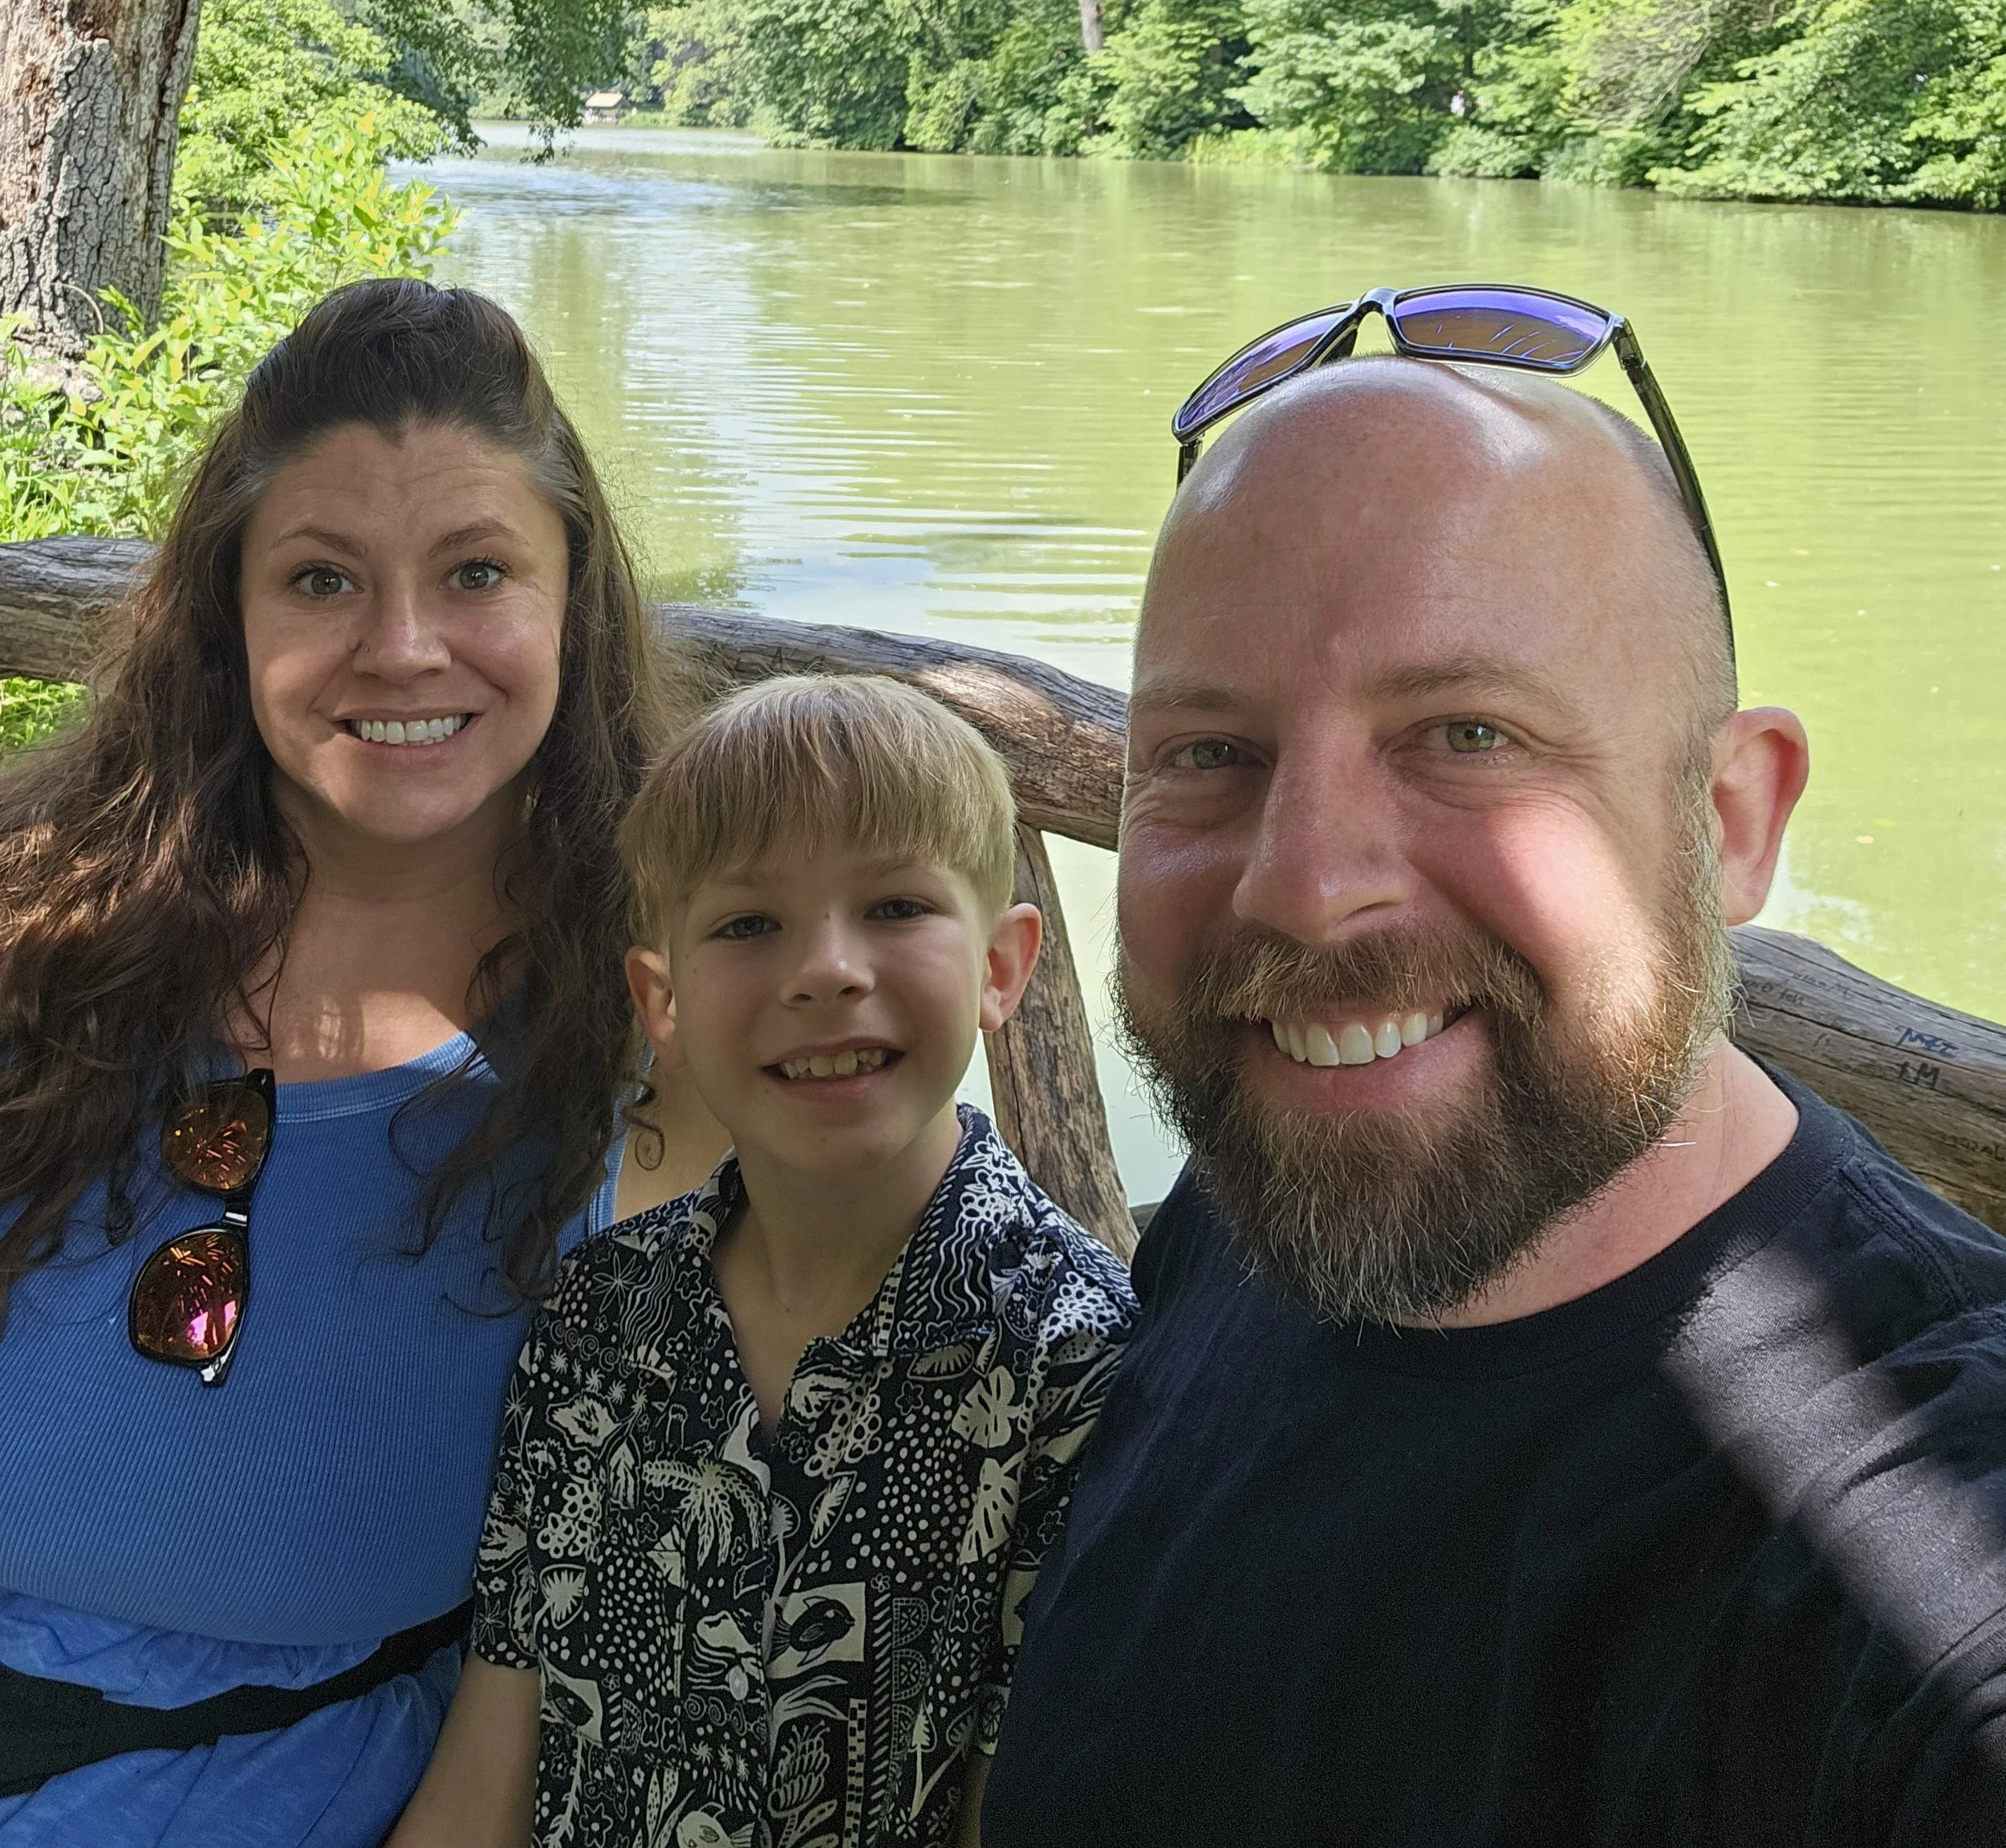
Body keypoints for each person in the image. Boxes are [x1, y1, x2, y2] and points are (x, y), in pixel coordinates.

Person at [984, 307, 2006, 1846]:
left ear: (1730, 821)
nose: (1302, 888)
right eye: (1207, 753)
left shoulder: (1918, 1530)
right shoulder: (1270, 1197)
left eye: (1466, 733)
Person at [0, 278, 693, 1846]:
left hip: (297, 1786)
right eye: (320, 578)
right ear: (224, 612)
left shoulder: (662, 1017)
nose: (399, 647)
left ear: (570, 598)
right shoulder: (46, 926)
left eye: (474, 572)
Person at [389, 672, 1138, 1848]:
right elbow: (493, 1759)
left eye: (895, 906)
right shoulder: (596, 1320)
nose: (825, 970)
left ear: (1003, 965)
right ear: (664, 999)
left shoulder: (1076, 1366)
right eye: (748, 925)